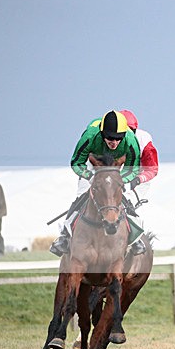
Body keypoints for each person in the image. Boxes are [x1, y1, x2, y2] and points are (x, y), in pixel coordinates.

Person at [50, 110, 144, 256]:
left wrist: (119, 180)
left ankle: (135, 237)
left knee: (123, 195)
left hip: (115, 166)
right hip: (92, 163)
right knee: (82, 194)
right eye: (110, 139)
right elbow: (76, 162)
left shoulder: (131, 140)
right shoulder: (90, 136)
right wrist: (90, 176)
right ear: (102, 134)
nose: (114, 142)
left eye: (118, 139)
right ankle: (64, 236)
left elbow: (134, 168)